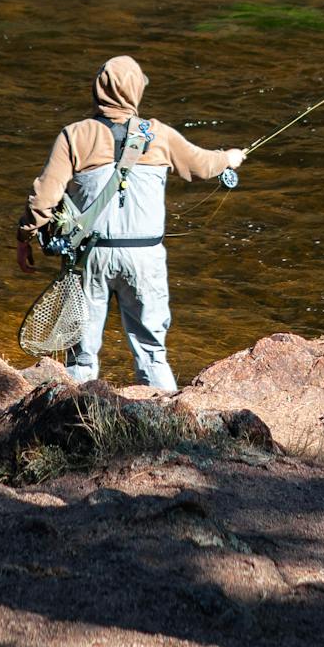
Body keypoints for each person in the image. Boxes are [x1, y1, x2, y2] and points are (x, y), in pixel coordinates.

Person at [18, 54, 245, 397]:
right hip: (145, 258)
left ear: (98, 89)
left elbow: (44, 199)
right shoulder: (160, 135)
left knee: (81, 358)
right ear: (136, 91)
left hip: (89, 258)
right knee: (153, 353)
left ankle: (76, 426)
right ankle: (166, 425)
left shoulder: (75, 135)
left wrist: (24, 237)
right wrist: (230, 157)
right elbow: (203, 165)